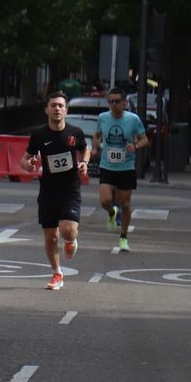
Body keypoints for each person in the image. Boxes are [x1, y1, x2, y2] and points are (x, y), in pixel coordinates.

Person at [21, 92, 90, 292]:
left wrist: (84, 162)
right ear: (47, 110)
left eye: (61, 106)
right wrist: (29, 164)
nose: (57, 109)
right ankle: (57, 273)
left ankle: (70, 240)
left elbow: (85, 149)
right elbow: (25, 159)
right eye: (53, 105)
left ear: (66, 110)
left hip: (69, 190)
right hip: (48, 191)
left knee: (68, 230)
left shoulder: (74, 133)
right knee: (51, 237)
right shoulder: (39, 136)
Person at [92, 88, 148, 254]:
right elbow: (96, 135)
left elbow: (145, 139)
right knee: (105, 200)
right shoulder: (103, 118)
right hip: (107, 166)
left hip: (126, 167)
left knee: (125, 204)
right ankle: (111, 212)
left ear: (124, 102)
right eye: (111, 102)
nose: (114, 105)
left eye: (117, 101)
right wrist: (95, 148)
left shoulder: (133, 119)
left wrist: (135, 146)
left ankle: (123, 237)